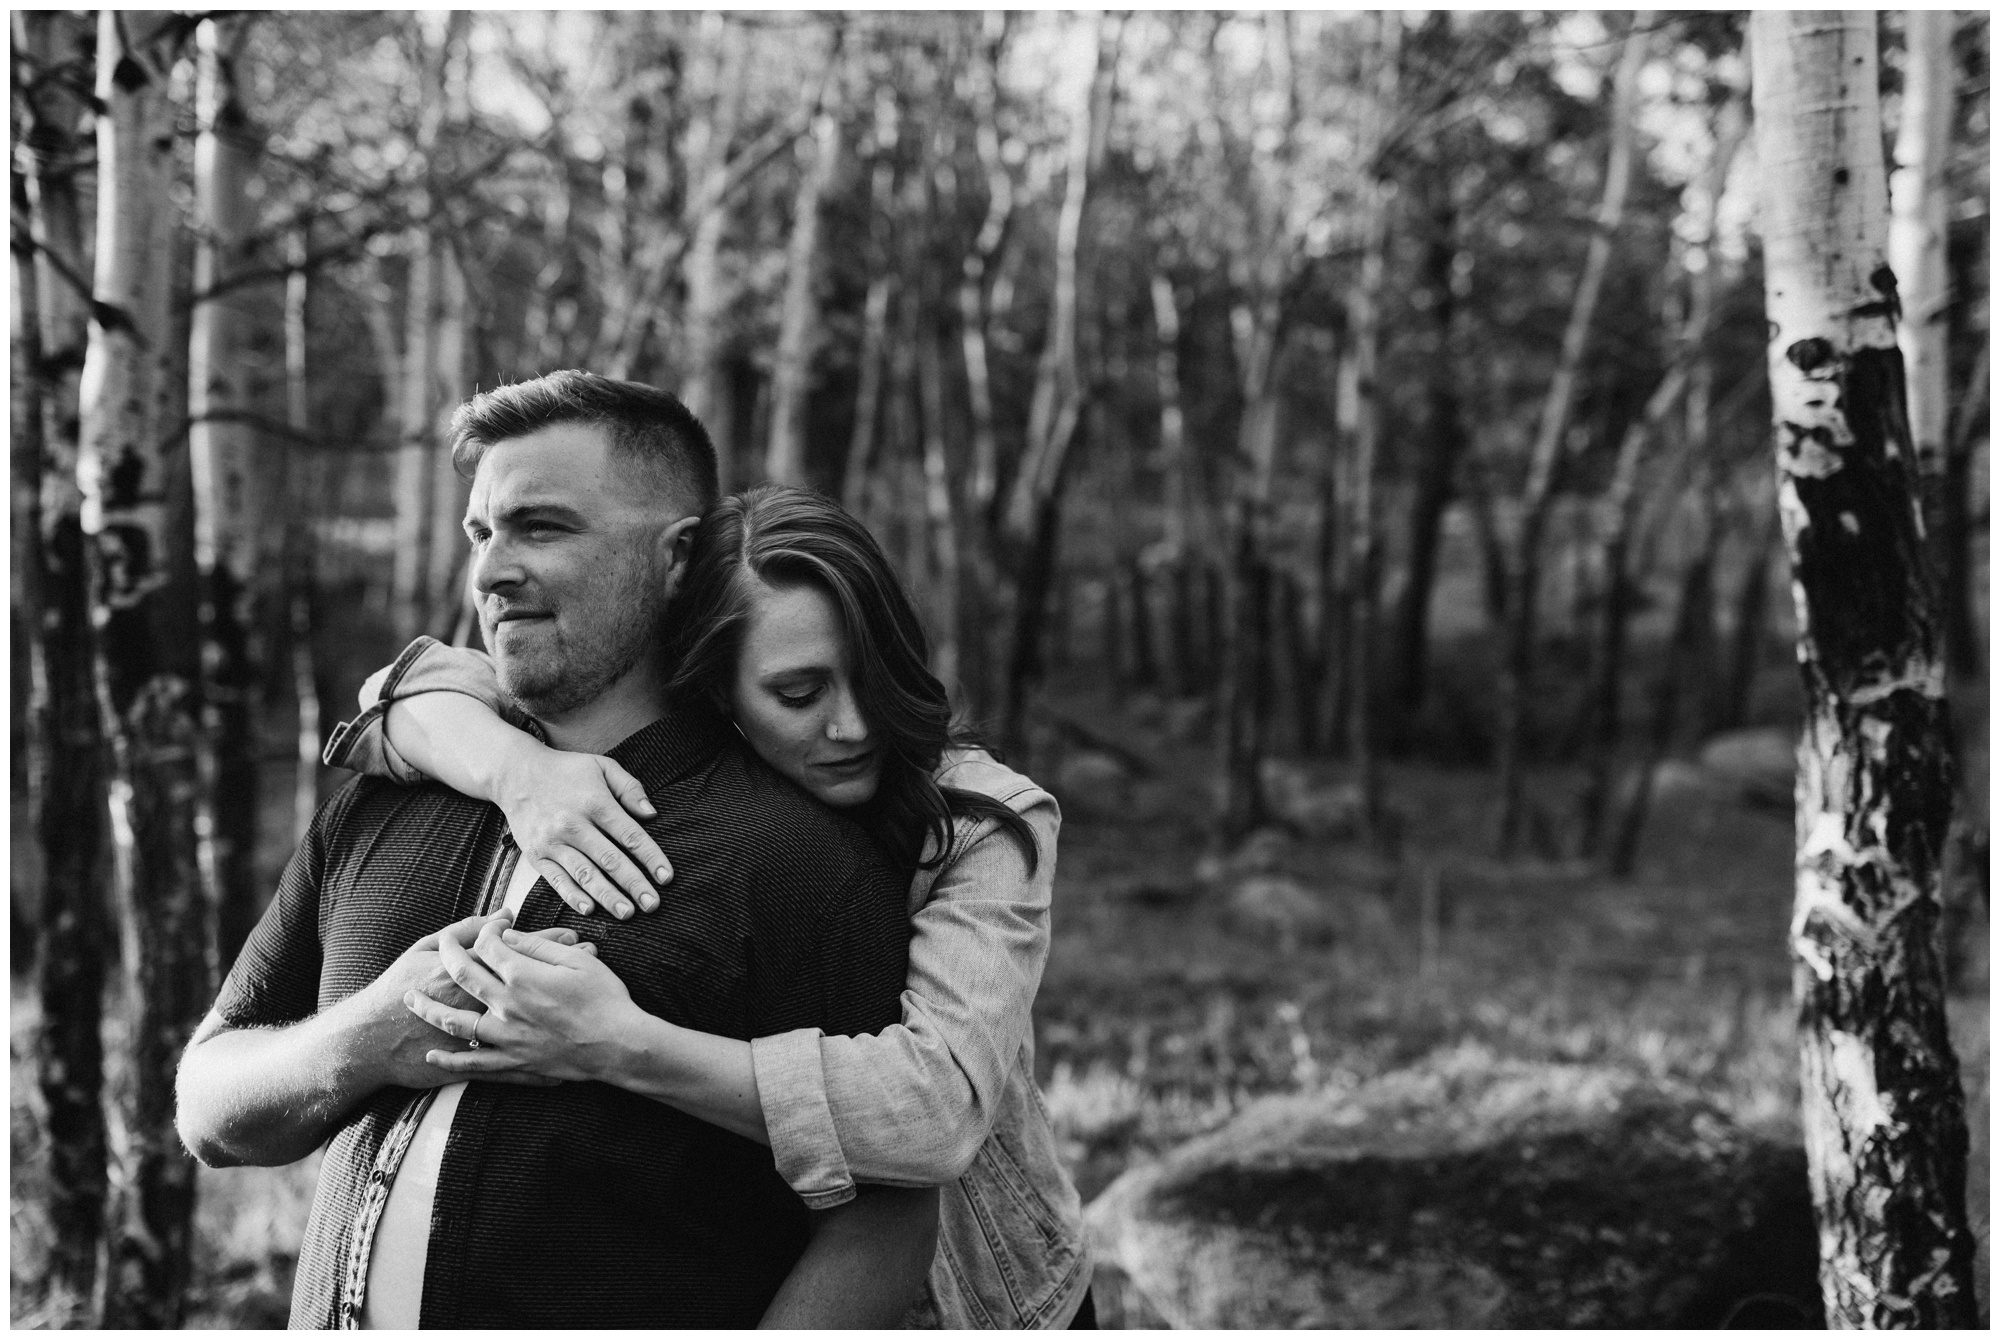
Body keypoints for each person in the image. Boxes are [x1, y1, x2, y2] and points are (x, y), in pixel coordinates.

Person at [175, 372, 937, 1328]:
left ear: (678, 558)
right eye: (480, 534)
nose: (490, 572)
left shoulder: (795, 859)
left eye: (542, 528)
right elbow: (208, 1108)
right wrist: (369, 1038)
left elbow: (891, 1215)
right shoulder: (384, 803)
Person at [328, 483, 1096, 1328]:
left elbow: (933, 1112)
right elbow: (400, 695)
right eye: (798, 696)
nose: (852, 726)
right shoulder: (689, 758)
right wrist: (519, 771)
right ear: (716, 692)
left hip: (984, 1293)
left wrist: (620, 1046)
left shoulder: (987, 819)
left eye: (871, 679)